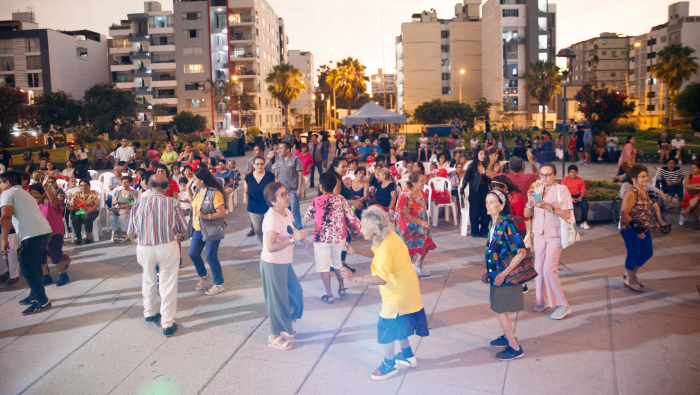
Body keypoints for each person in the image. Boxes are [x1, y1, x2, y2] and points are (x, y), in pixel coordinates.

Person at [339, 206, 429, 380]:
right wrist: (356, 250)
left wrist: (355, 278)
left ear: (375, 227)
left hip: (397, 293)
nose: (361, 229)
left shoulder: (385, 245)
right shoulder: (387, 236)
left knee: (386, 328)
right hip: (407, 288)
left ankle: (389, 364)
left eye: (364, 227)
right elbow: (375, 253)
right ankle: (408, 356)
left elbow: (381, 278)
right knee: (400, 323)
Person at [126, 173, 187, 337]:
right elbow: (182, 227)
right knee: (167, 283)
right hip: (167, 246)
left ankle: (150, 312)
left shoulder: (137, 203)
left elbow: (130, 231)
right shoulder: (172, 203)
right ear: (167, 187)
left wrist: (137, 243)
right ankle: (167, 323)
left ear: (149, 186)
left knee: (148, 278)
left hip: (144, 246)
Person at [260, 181, 309, 351]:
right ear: (273, 201)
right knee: (277, 301)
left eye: (285, 193)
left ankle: (285, 324)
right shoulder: (272, 218)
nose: (286, 197)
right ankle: (274, 336)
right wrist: (292, 240)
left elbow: (291, 228)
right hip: (273, 264)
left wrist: (299, 236)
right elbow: (271, 246)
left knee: (296, 294)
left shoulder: (285, 210)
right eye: (281, 195)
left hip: (284, 262)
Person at [523, 163, 573, 320]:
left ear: (554, 175)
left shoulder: (562, 190)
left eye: (548, 175)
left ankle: (562, 304)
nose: (544, 178)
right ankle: (541, 300)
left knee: (549, 270)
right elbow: (526, 213)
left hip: (555, 234)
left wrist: (548, 207)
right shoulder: (536, 191)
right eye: (542, 175)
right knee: (538, 268)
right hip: (539, 233)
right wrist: (529, 202)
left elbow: (566, 214)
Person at [482, 189, 526, 360]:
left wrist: (503, 274)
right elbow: (493, 249)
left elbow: (521, 252)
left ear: (501, 206)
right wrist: (488, 271)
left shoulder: (506, 224)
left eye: (492, 202)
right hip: (495, 273)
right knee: (497, 306)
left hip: (504, 275)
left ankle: (515, 348)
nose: (488, 205)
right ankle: (507, 336)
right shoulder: (492, 223)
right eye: (487, 201)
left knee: (500, 310)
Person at [0, 171, 54, 314]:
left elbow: (5, 216)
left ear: (7, 183)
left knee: (25, 267)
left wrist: (4, 239)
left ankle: (42, 301)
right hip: (44, 232)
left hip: (33, 235)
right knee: (34, 265)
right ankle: (35, 294)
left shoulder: (7, 193)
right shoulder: (24, 193)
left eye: (1, 182)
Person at [304, 173, 361, 304]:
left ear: (320, 186)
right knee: (338, 263)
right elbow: (352, 217)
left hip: (321, 238)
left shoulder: (316, 201)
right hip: (338, 237)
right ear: (334, 186)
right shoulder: (340, 199)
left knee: (324, 267)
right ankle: (341, 288)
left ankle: (329, 295)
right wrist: (362, 229)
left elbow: (307, 217)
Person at [187, 167, 227, 296]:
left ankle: (219, 283)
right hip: (198, 229)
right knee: (193, 253)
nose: (193, 181)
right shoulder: (198, 190)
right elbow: (193, 203)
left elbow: (222, 213)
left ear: (203, 180)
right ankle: (204, 275)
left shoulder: (215, 193)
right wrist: (188, 188)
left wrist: (206, 216)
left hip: (211, 229)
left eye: (195, 179)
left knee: (210, 256)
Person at [619, 164, 655, 292]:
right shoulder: (630, 192)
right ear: (634, 178)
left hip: (643, 226)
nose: (645, 178)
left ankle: (629, 273)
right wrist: (635, 226)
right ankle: (631, 280)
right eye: (642, 176)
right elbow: (624, 212)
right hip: (630, 227)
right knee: (633, 253)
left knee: (647, 252)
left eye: (646, 176)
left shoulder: (644, 190)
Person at [29, 181, 70, 287]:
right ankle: (46, 276)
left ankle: (63, 275)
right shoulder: (34, 205)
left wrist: (47, 188)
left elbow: (54, 200)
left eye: (35, 193)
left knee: (54, 255)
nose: (33, 196)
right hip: (39, 234)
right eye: (32, 193)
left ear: (43, 193)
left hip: (53, 234)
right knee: (41, 256)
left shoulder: (50, 203)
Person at [396, 171, 436, 277]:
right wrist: (420, 222)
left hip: (421, 222)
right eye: (422, 181)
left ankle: (418, 266)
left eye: (424, 179)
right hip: (408, 225)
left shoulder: (421, 192)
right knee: (409, 250)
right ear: (413, 183)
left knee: (425, 243)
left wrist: (424, 221)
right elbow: (405, 214)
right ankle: (406, 273)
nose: (425, 182)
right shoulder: (406, 194)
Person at [244, 156, 276, 243]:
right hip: (253, 206)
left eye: (261, 164)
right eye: (257, 164)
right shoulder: (248, 177)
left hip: (268, 206)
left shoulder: (270, 176)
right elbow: (245, 191)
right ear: (253, 165)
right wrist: (245, 196)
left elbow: (277, 188)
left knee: (268, 228)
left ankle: (268, 246)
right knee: (258, 230)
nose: (259, 166)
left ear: (264, 165)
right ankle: (263, 246)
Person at [460, 149, 491, 237]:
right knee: (475, 212)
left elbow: (490, 178)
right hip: (474, 191)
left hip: (485, 190)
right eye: (481, 154)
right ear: (476, 155)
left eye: (484, 154)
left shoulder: (486, 165)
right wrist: (462, 190)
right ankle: (475, 231)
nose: (483, 156)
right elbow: (466, 179)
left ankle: (484, 231)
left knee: (485, 211)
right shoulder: (471, 167)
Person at [273, 142, 303, 230]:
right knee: (285, 210)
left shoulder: (295, 159)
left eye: (281, 148)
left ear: (288, 149)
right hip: (282, 191)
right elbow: (277, 174)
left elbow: (300, 174)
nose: (279, 150)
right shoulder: (279, 160)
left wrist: (299, 189)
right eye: (279, 148)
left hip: (293, 190)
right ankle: (289, 227)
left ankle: (299, 228)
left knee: (294, 210)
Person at [68, 178, 100, 245]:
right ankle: (79, 237)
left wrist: (87, 212)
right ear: (79, 186)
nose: (83, 187)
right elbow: (72, 205)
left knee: (87, 218)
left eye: (85, 185)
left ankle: (89, 236)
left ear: (89, 186)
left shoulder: (94, 193)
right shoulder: (76, 194)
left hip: (92, 210)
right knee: (75, 219)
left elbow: (96, 205)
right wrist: (70, 207)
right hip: (79, 211)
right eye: (81, 185)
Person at [109, 175, 138, 242]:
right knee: (111, 218)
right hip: (119, 210)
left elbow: (136, 203)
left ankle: (124, 233)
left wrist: (126, 206)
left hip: (128, 210)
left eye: (126, 182)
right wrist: (116, 202)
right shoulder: (119, 192)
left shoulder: (134, 192)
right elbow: (113, 202)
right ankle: (116, 232)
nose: (124, 184)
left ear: (131, 183)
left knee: (122, 217)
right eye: (123, 182)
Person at [561, 165, 590, 230]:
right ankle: (573, 223)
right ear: (568, 173)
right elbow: (563, 191)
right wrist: (570, 199)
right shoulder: (565, 179)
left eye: (575, 172)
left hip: (578, 196)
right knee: (572, 207)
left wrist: (581, 197)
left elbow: (583, 190)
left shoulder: (580, 180)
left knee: (585, 205)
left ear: (577, 173)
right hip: (568, 196)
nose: (573, 174)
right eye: (571, 172)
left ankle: (584, 222)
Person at [679, 161, 700, 228]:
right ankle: (697, 222)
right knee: (696, 201)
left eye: (694, 168)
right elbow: (685, 186)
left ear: (699, 169)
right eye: (691, 168)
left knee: (698, 197)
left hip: (697, 194)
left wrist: (691, 186)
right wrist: (697, 185)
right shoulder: (689, 176)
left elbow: (688, 186)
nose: (692, 169)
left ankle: (687, 210)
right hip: (690, 194)